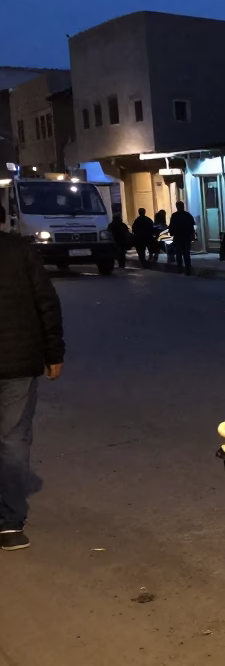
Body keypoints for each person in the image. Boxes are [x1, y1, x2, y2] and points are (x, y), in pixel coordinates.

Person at [0, 205, 64, 551]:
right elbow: (46, 303)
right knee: (11, 441)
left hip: (16, 363)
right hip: (17, 363)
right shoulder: (21, 251)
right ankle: (9, 525)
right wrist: (54, 354)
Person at [168, 201, 196, 276]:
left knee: (179, 253)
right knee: (186, 253)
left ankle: (180, 267)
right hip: (186, 236)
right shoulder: (187, 215)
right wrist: (192, 236)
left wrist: (172, 234)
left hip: (178, 237)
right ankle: (187, 268)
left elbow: (171, 227)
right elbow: (191, 227)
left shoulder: (174, 215)